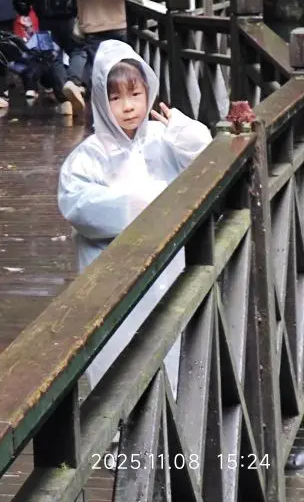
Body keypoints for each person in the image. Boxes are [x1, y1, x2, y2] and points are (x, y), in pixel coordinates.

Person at [58, 40, 211, 388]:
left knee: (174, 339)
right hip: (114, 272)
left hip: (171, 265)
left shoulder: (162, 137)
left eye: (135, 95)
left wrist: (183, 131)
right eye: (115, 98)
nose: (127, 107)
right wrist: (134, 207)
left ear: (149, 92)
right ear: (100, 100)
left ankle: (177, 404)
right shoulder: (89, 155)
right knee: (119, 352)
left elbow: (205, 160)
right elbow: (77, 204)